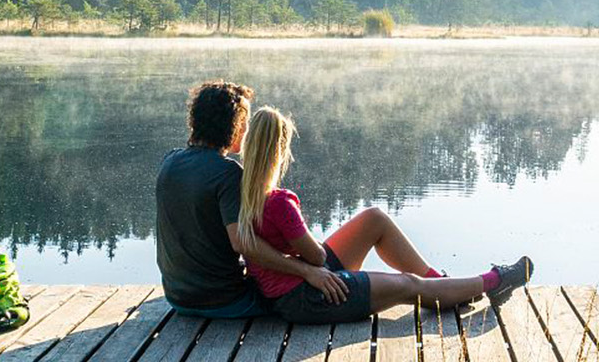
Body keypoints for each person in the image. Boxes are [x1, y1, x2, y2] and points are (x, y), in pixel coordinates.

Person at [236, 104, 532, 323]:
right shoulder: (279, 202)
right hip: (306, 297)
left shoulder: (240, 191)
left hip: (293, 286)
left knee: (374, 219)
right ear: (280, 149)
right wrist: (305, 251)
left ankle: (441, 285)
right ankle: (495, 281)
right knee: (407, 285)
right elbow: (317, 258)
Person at [155, 80, 344, 317]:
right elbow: (243, 243)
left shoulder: (169, 161)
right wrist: (306, 270)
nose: (247, 132)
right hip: (224, 300)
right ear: (233, 126)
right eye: (245, 124)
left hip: (178, 296)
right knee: (322, 275)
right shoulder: (228, 174)